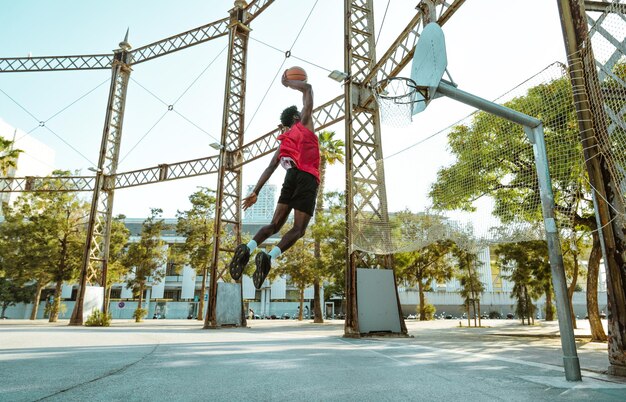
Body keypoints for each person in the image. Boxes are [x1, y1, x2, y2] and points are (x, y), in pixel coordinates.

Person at [229, 70, 318, 289]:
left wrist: (256, 192)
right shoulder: (304, 123)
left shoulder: (284, 141)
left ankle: (248, 248)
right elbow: (308, 89)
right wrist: (289, 82)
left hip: (290, 178)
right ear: (297, 118)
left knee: (274, 225)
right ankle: (269, 257)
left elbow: (270, 167)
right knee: (299, 229)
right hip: (307, 178)